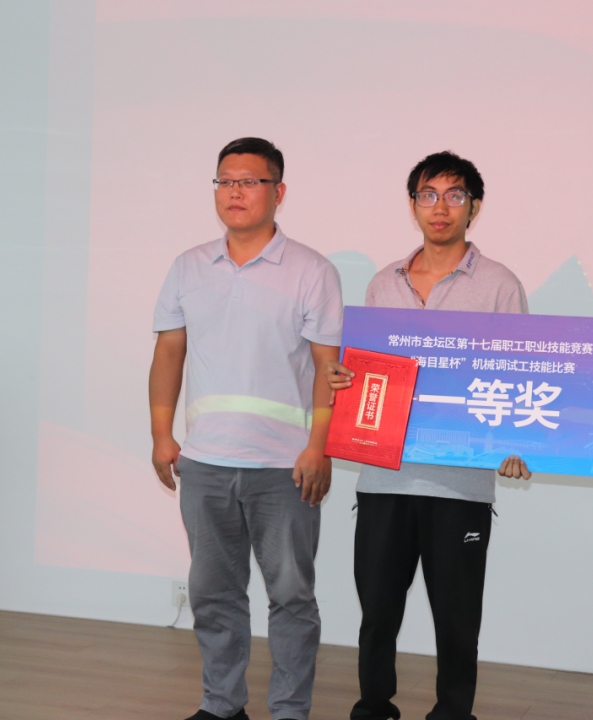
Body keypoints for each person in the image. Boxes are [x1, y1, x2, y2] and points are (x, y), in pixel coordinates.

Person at [327, 151, 532, 720]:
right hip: (383, 480)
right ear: (413, 204)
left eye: (455, 195)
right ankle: (374, 708)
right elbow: (368, 371)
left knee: (457, 620)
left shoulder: (499, 284)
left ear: (475, 207)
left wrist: (519, 445)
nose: (440, 207)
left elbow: (520, 373)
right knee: (378, 614)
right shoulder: (383, 283)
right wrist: (345, 380)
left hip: (460, 485)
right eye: (428, 194)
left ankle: (453, 713)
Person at [150, 137, 343, 720]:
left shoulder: (312, 270)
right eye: (225, 181)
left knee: (291, 597)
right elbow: (169, 354)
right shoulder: (188, 266)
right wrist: (162, 435)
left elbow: (328, 368)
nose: (235, 192)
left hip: (284, 467)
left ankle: (289, 710)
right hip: (205, 463)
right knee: (213, 595)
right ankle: (222, 705)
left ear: (278, 192)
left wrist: (319, 447)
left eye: (250, 181)